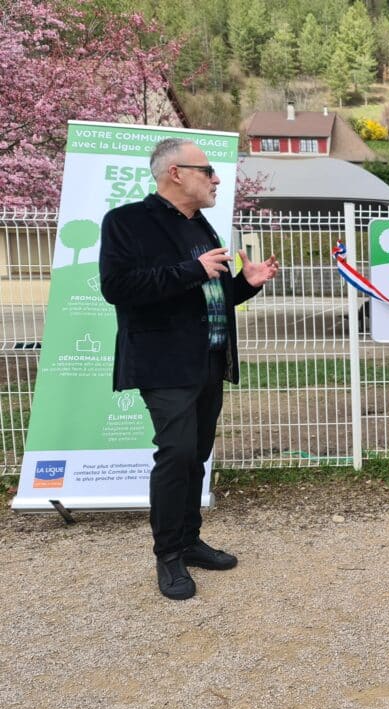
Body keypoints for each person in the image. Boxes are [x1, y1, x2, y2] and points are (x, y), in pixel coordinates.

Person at [100, 138, 279, 600]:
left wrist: (246, 284)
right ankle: (168, 555)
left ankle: (190, 540)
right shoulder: (127, 222)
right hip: (164, 363)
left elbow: (212, 296)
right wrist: (192, 270)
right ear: (175, 173)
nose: (216, 179)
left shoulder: (201, 225)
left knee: (196, 454)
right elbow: (118, 287)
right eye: (207, 170)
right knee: (176, 454)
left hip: (208, 360)